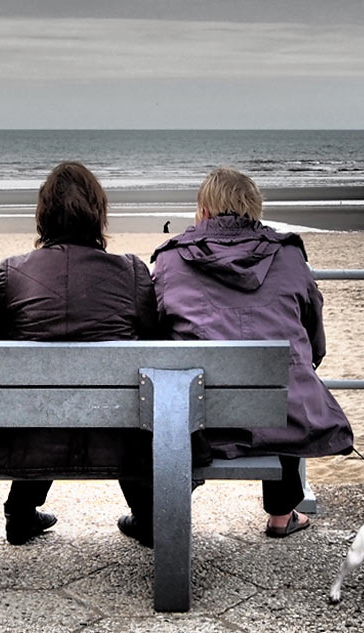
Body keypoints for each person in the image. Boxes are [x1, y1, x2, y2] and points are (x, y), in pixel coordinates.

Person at [150, 167, 353, 537]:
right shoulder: (289, 255)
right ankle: (281, 514)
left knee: (204, 383)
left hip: (200, 423)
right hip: (281, 419)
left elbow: (155, 335)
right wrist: (307, 362)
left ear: (205, 212)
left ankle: (167, 507)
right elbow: (313, 337)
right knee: (282, 377)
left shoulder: (170, 260)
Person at [0, 161, 159, 546]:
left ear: (43, 215)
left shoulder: (12, 271)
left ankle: (20, 512)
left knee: (47, 399)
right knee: (115, 401)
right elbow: (152, 343)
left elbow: (5, 349)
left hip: (35, 428)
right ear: (98, 213)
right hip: (118, 430)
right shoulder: (133, 271)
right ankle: (149, 515)